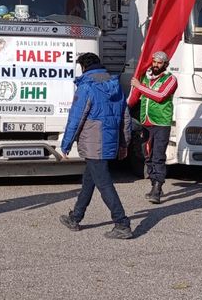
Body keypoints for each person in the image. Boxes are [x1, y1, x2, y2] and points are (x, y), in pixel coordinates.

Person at [59, 52, 133, 239]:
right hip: (109, 140)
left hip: (93, 142)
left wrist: (66, 144)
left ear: (83, 67)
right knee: (89, 181)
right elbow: (125, 117)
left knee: (104, 183)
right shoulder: (115, 85)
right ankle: (75, 217)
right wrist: (124, 143)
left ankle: (122, 223)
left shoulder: (86, 87)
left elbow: (76, 118)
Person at [128, 51, 178, 204]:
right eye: (154, 62)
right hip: (146, 121)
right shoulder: (145, 77)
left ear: (165, 64)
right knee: (147, 154)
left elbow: (160, 96)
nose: (156, 65)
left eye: (159, 63)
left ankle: (158, 187)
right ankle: (154, 184)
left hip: (161, 122)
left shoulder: (170, 79)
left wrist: (139, 87)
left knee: (158, 155)